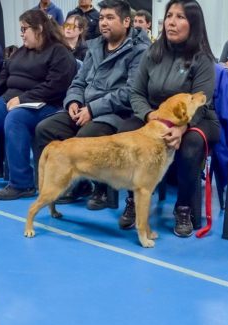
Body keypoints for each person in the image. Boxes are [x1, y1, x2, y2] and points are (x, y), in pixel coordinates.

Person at [117, 0, 220, 237]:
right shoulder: (152, 52)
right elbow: (136, 92)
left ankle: (183, 207)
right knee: (126, 129)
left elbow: (202, 102)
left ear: (193, 24)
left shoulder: (201, 59)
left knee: (189, 146)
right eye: (169, 16)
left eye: (180, 17)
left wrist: (182, 128)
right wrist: (150, 115)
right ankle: (135, 200)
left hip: (196, 119)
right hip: (156, 117)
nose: (172, 22)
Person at [34, 0, 150, 208]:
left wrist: (93, 109)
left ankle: (101, 190)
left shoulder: (139, 51)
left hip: (115, 113)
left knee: (87, 135)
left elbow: (130, 92)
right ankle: (60, 183)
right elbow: (78, 81)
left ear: (126, 22)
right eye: (102, 17)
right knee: (46, 129)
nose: (103, 23)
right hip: (84, 108)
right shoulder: (94, 46)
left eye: (110, 18)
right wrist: (74, 100)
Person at [0, 9, 76, 199]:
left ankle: (22, 184)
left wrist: (24, 99)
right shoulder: (20, 52)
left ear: (39, 29)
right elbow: (0, 80)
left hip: (46, 104)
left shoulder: (59, 52)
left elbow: (56, 87)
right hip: (12, 100)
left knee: (15, 119)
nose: (21, 33)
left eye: (24, 29)